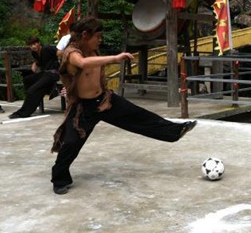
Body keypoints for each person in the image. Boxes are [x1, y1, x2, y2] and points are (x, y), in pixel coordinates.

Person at [50, 16, 196, 195]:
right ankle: (59, 179)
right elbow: (82, 63)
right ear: (85, 35)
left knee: (139, 116)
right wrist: (114, 58)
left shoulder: (94, 51)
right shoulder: (71, 53)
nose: (100, 40)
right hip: (83, 108)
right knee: (71, 143)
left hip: (105, 100)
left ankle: (175, 131)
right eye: (97, 37)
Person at [9, 37, 60, 119]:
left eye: (34, 44)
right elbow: (40, 61)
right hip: (44, 73)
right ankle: (36, 96)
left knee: (32, 90)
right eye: (30, 45)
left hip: (53, 73)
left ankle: (24, 112)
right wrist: (35, 63)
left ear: (39, 43)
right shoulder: (34, 53)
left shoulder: (47, 48)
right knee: (28, 80)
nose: (33, 46)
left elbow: (60, 53)